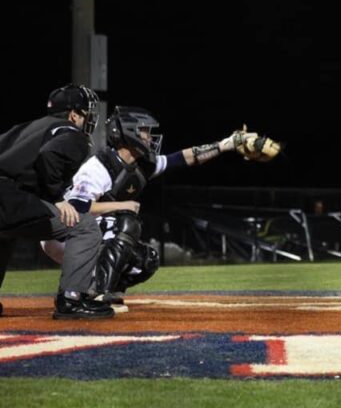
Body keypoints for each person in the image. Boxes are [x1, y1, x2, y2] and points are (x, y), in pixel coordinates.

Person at [40, 106, 280, 307]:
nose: (148, 136)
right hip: (65, 235)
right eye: (144, 131)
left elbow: (183, 158)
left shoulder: (141, 165)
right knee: (126, 221)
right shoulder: (99, 166)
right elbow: (76, 208)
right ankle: (97, 294)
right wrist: (122, 205)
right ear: (129, 133)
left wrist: (224, 145)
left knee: (146, 260)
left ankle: (98, 286)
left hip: (93, 234)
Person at [0, 84, 114, 319]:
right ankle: (71, 299)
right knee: (84, 227)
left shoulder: (26, 127)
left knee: (5, 234)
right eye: (86, 113)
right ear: (74, 114)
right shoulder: (71, 133)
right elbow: (48, 155)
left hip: (7, 197)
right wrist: (57, 198)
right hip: (8, 197)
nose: (88, 119)